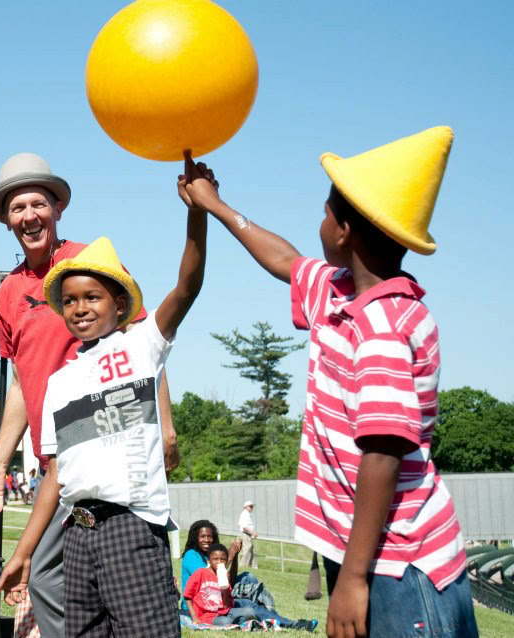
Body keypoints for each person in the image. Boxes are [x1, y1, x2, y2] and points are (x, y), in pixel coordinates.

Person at [181, 126, 478, 637]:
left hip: (399, 567)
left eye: (324, 211)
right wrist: (215, 203)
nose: (317, 220)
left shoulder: (384, 325)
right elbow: (285, 259)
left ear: (344, 232)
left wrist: (354, 578)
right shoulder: (338, 293)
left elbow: (383, 452)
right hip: (364, 553)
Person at [0, 153, 212, 636]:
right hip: (78, 529)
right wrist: (23, 551)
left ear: (121, 303)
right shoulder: (61, 381)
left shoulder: (139, 346)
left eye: (92, 298)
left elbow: (187, 286)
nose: (80, 308)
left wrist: (198, 211)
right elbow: (57, 469)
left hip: (131, 526)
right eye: (68, 301)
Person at [184, 543, 316, 631]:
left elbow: (227, 604)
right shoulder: (200, 573)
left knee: (250, 612)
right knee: (225, 622)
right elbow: (187, 596)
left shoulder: (224, 575)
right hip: (208, 616)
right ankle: (242, 622)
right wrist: (195, 617)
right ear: (209, 560)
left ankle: (286, 623)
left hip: (224, 611)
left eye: (223, 559)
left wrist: (224, 587)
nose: (219, 562)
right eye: (215, 559)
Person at [238, 500, 258, 569]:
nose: (252, 508)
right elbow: (244, 527)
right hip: (245, 534)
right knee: (247, 550)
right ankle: (243, 565)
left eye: (252, 507)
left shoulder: (246, 514)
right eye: (251, 506)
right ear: (246, 507)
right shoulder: (245, 514)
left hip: (247, 534)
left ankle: (253, 567)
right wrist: (253, 533)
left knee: (252, 550)